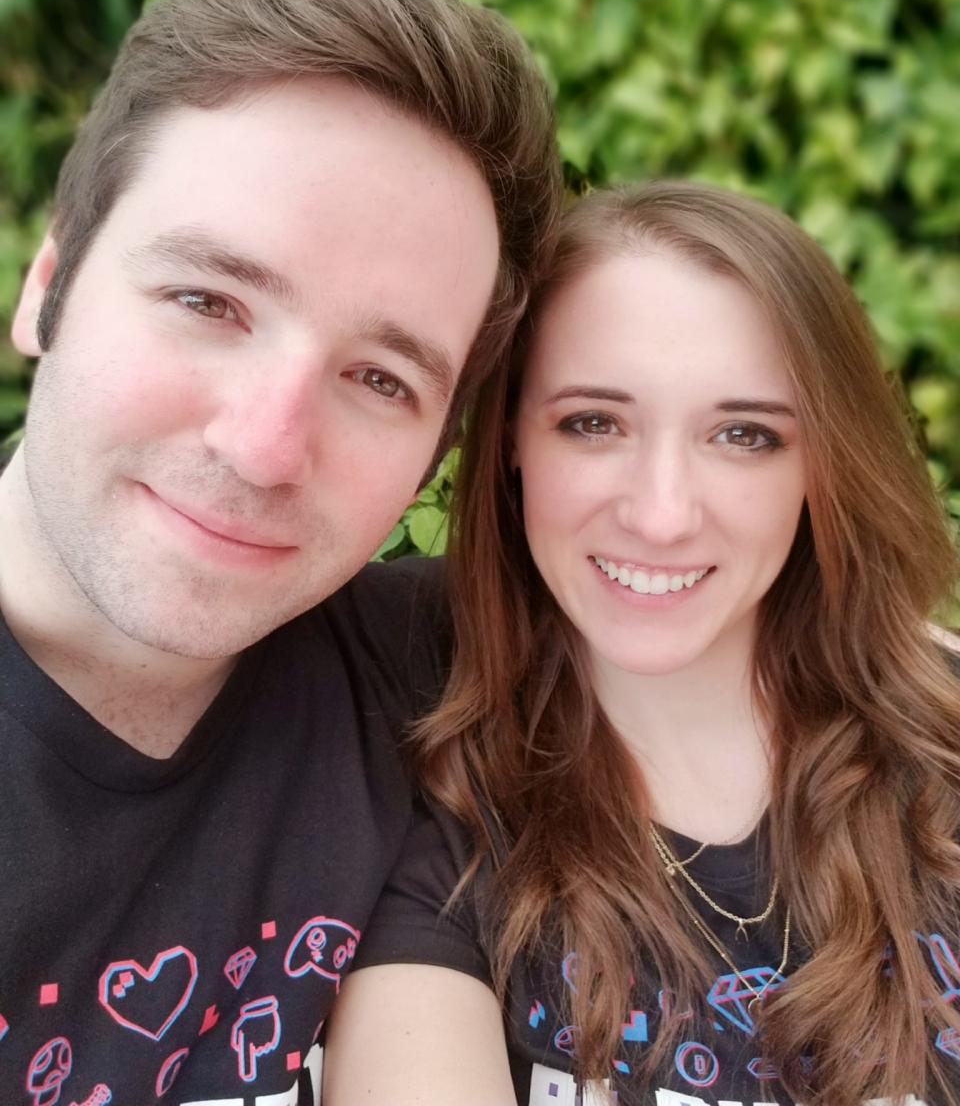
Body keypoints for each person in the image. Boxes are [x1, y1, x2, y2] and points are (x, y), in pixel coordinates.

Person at [0, 0, 561, 1103]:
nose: (264, 446)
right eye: (209, 301)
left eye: (380, 377)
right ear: (46, 284)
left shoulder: (422, 664)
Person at [326, 182, 960, 1106]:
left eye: (744, 436)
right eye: (593, 423)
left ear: (821, 463)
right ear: (508, 438)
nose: (661, 515)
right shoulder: (437, 781)